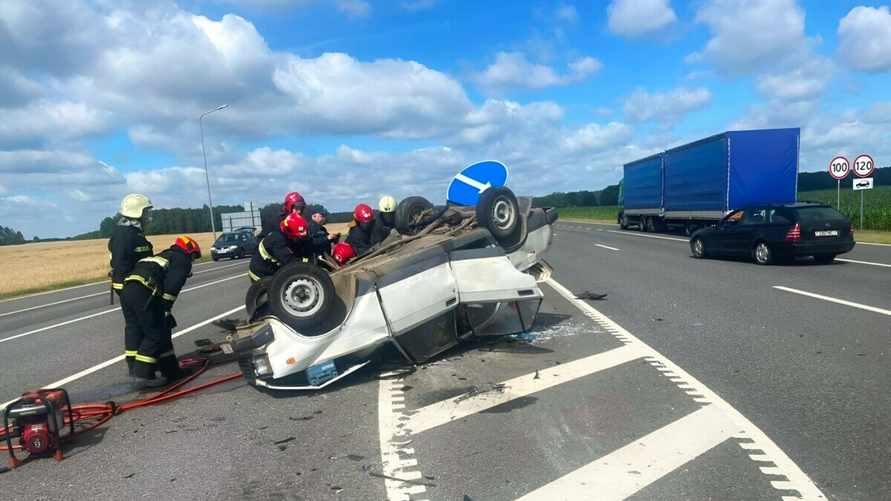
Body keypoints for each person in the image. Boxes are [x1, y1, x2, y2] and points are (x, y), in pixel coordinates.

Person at [119, 236, 201, 388]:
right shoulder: (182, 260)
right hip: (143, 292)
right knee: (156, 332)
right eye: (193, 257)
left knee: (135, 329)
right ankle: (143, 375)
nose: (192, 261)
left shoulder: (162, 256)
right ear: (189, 251)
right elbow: (171, 288)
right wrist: (165, 309)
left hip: (127, 290)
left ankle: (169, 369)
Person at [109, 193, 155, 376]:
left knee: (133, 326)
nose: (149, 216)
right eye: (146, 212)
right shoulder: (131, 236)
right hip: (134, 287)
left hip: (124, 287)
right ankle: (145, 371)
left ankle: (133, 365)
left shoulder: (120, 233)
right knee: (152, 328)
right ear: (138, 214)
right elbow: (140, 262)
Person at [249, 212, 310, 283]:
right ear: (289, 232)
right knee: (277, 291)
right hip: (261, 274)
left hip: (272, 269)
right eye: (298, 237)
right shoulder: (277, 241)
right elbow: (290, 263)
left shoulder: (284, 234)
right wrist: (308, 262)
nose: (299, 239)